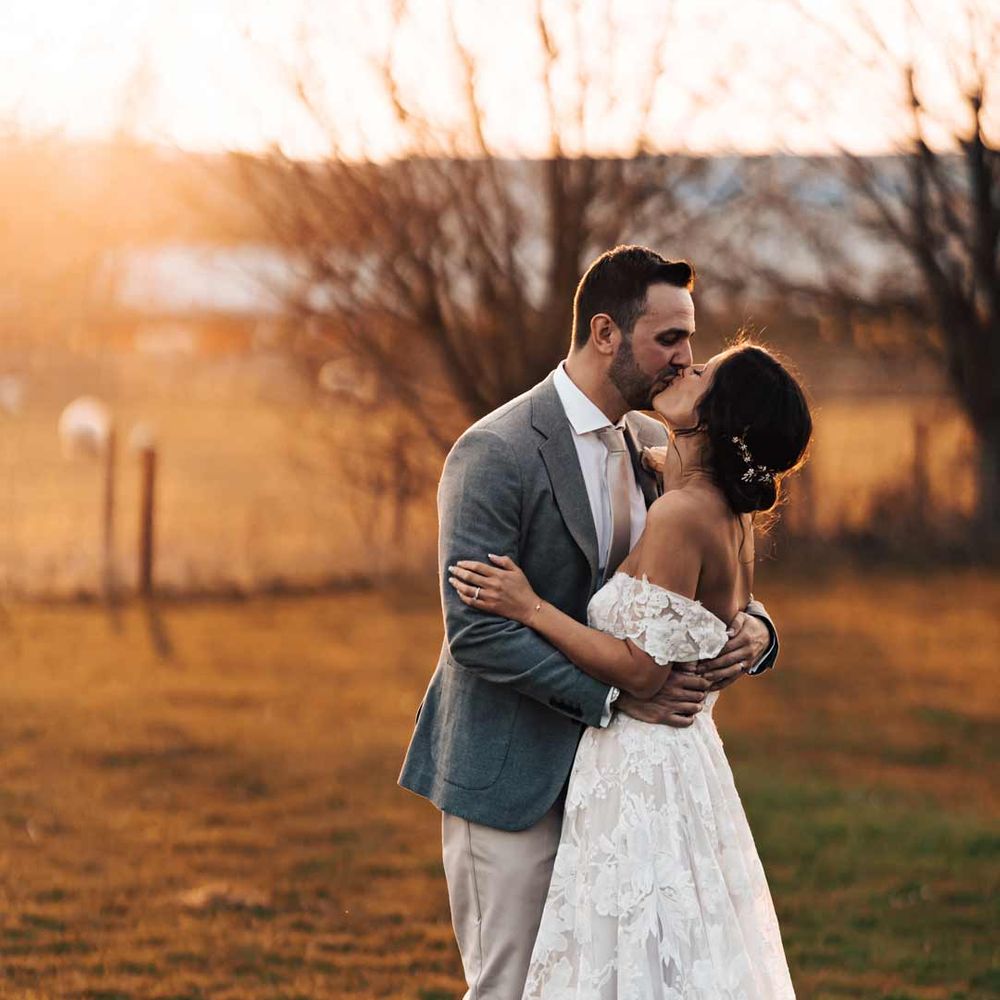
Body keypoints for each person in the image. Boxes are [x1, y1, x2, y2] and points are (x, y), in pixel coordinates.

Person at [398, 246, 781, 999]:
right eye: (669, 339)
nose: (686, 359)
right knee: (513, 987)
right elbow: (477, 632)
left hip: (620, 791)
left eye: (691, 339)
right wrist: (614, 697)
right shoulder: (495, 452)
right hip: (513, 772)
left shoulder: (655, 454)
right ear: (606, 333)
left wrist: (761, 632)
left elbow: (699, 577)